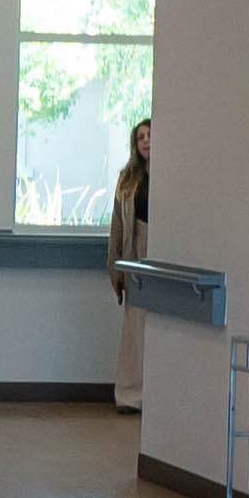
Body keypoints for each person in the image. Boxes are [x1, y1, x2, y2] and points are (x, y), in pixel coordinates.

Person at [108, 115, 155, 414]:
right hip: (134, 253)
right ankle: (129, 395)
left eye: (150, 135)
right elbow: (117, 227)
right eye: (141, 137)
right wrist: (116, 269)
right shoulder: (127, 178)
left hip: (160, 251)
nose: (146, 141)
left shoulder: (172, 174)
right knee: (134, 330)